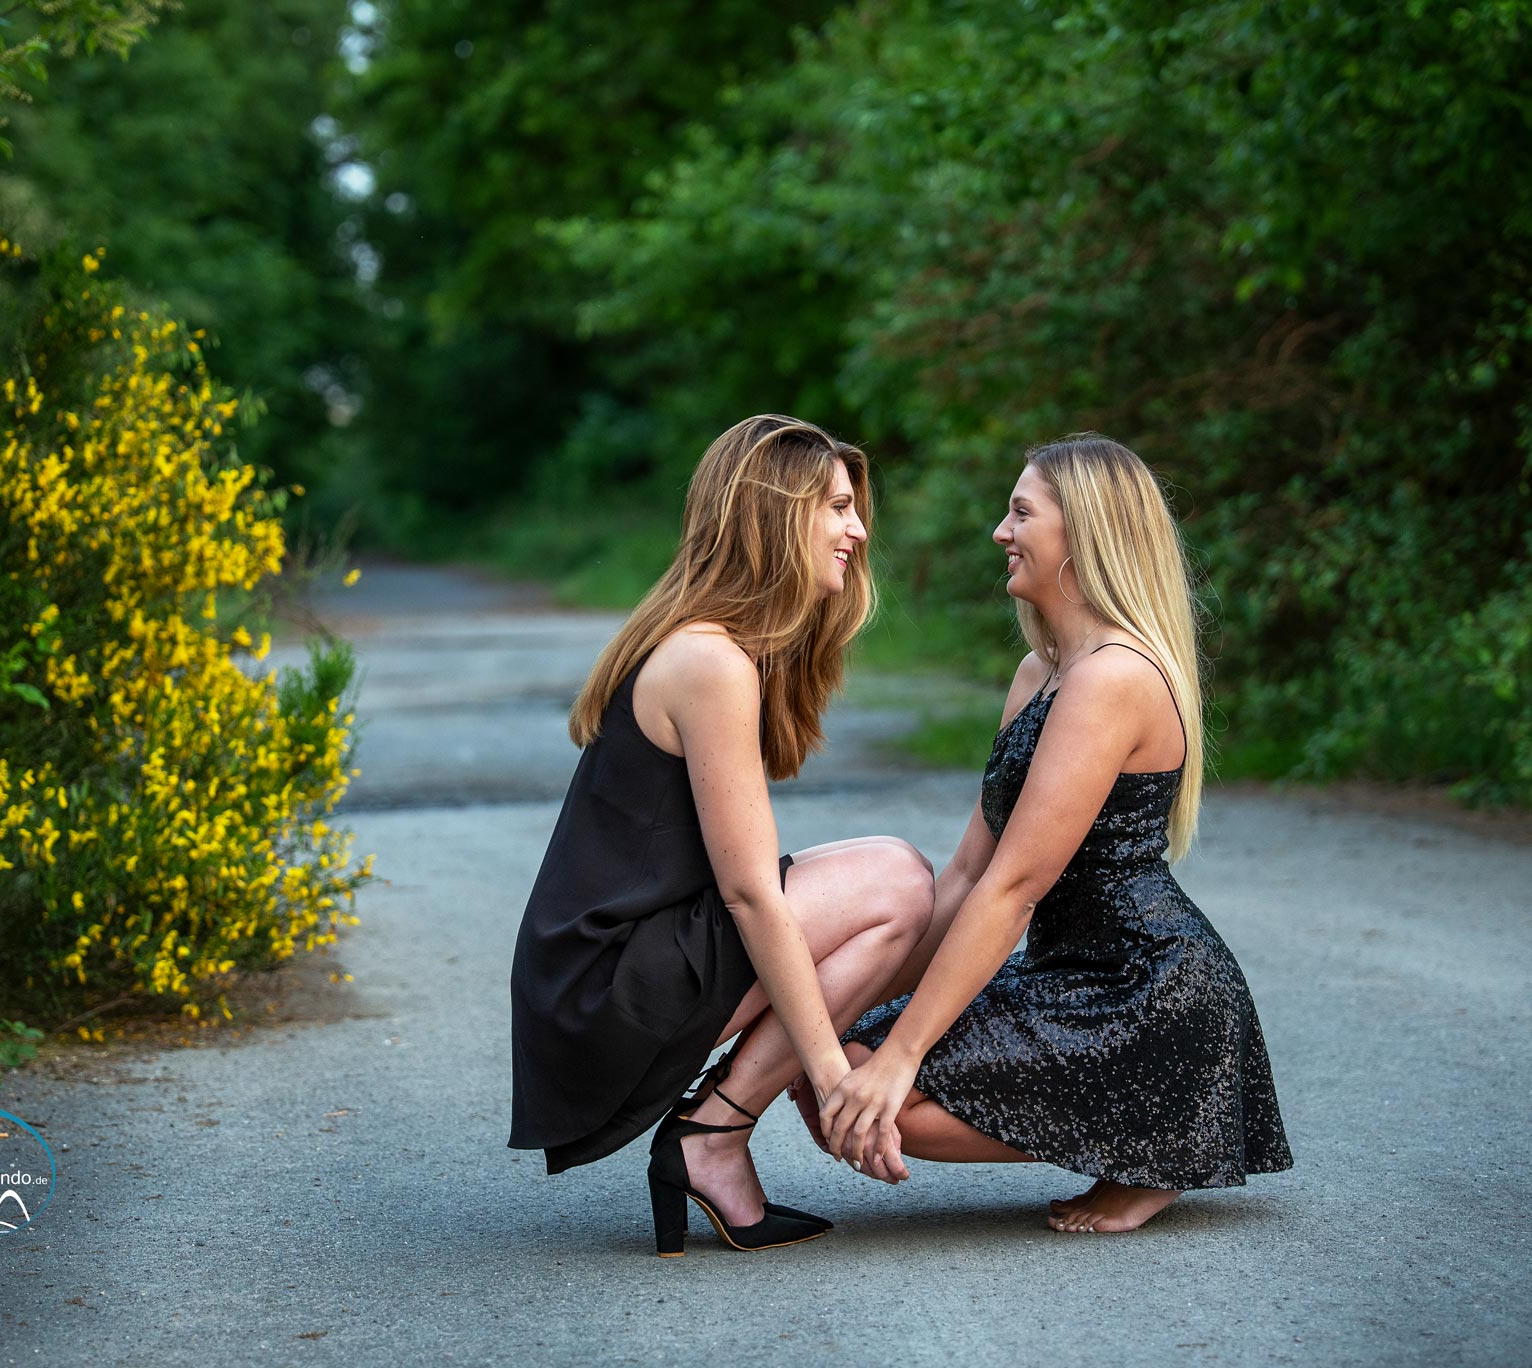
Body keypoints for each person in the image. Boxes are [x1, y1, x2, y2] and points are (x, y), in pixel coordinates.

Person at [812, 433, 1292, 1233]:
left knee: (891, 1104)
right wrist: (841, 1026)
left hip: (1147, 992)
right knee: (845, 1071)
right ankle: (1139, 1136)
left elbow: (1015, 887)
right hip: (1064, 974)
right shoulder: (1044, 671)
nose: (1002, 532)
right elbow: (969, 870)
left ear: (1085, 536)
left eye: (1021, 513)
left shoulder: (1115, 677)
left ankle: (1158, 1140)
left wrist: (901, 1062)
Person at [508, 414, 936, 1256]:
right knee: (896, 886)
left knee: (904, 880)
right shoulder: (710, 661)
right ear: (776, 513)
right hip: (601, 992)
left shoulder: (713, 647)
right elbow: (748, 894)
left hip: (606, 971)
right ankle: (714, 1133)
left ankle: (713, 1137)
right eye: (840, 507)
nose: (856, 531)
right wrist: (830, 1074)